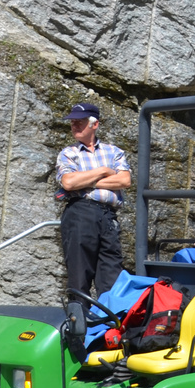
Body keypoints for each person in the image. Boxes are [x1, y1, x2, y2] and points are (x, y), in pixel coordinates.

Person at [55, 102, 132, 300]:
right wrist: (103, 172)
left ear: (94, 124)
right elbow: (69, 183)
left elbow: (124, 180)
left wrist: (87, 181)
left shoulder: (114, 151)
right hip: (81, 213)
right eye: (72, 123)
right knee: (79, 276)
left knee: (111, 275)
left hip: (108, 216)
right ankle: (78, 327)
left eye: (79, 122)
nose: (74, 126)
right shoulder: (68, 153)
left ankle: (107, 327)